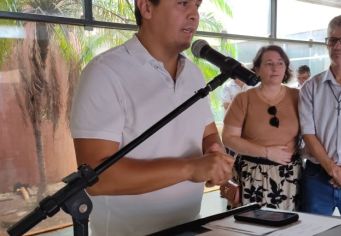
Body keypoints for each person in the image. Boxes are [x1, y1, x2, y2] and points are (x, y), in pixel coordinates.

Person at [69, 0, 234, 235]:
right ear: (146, 7)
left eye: (197, 5)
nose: (194, 15)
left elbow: (207, 133)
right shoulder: (105, 72)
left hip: (191, 225)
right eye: (183, 3)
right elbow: (97, 177)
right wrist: (190, 168)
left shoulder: (194, 75)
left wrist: (215, 155)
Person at [222, 45, 302, 211]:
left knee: (287, 228)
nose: (275, 68)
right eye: (268, 63)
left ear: (286, 68)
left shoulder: (298, 97)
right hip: (252, 175)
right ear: (257, 69)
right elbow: (229, 138)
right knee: (251, 227)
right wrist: (266, 152)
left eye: (280, 63)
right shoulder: (243, 99)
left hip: (289, 176)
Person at [299, 15, 341, 218]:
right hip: (318, 176)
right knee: (312, 230)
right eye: (332, 40)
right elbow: (308, 133)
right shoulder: (310, 87)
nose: (338, 46)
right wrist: (335, 170)